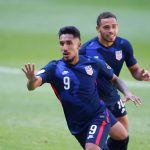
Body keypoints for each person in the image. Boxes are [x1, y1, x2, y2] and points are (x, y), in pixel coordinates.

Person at [22, 26, 140, 150]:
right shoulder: (54, 67)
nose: (65, 48)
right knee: (122, 136)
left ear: (78, 45)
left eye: (69, 43)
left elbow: (114, 78)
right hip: (77, 124)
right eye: (62, 44)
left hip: (98, 114)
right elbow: (33, 85)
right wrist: (31, 80)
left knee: (100, 145)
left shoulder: (93, 63)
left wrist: (127, 92)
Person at [79, 11, 150, 150]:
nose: (111, 30)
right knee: (98, 142)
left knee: (122, 137)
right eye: (106, 27)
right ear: (97, 28)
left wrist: (141, 74)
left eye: (114, 26)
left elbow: (134, 71)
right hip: (95, 99)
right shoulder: (86, 50)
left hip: (112, 95)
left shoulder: (124, 45)